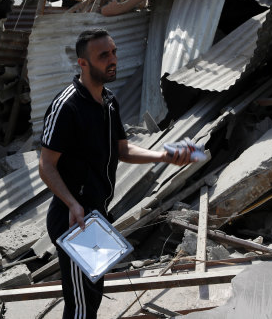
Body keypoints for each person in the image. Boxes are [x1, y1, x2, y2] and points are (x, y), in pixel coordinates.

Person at [39, 28, 193, 319]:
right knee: (81, 304)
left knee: (92, 296)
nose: (113, 60)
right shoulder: (66, 106)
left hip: (97, 215)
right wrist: (73, 203)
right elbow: (46, 166)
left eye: (114, 52)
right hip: (73, 219)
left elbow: (122, 150)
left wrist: (162, 155)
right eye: (103, 55)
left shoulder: (109, 102)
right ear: (82, 63)